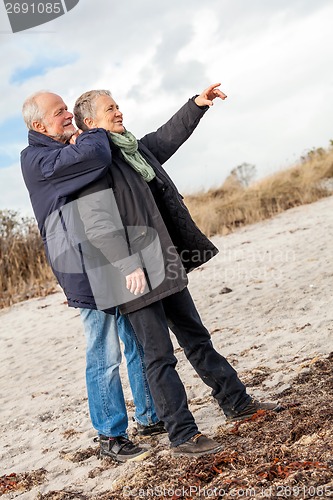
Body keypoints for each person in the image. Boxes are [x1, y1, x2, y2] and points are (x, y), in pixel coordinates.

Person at [71, 84, 283, 455]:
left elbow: (166, 137)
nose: (119, 112)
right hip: (130, 275)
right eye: (110, 109)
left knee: (196, 337)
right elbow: (98, 223)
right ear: (90, 122)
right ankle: (183, 435)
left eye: (118, 105)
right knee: (159, 355)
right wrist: (127, 263)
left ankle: (237, 402)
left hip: (162, 261)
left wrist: (197, 105)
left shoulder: (132, 150)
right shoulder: (92, 163)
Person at [20, 91, 165, 464]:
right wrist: (91, 130)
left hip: (109, 259)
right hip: (83, 271)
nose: (68, 115)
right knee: (104, 351)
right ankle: (111, 436)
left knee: (133, 342)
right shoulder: (36, 159)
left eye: (68, 109)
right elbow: (97, 155)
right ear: (39, 126)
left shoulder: (62, 147)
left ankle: (149, 417)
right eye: (60, 112)